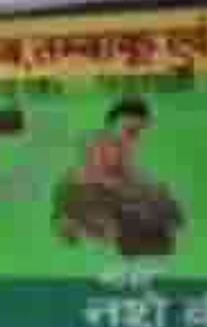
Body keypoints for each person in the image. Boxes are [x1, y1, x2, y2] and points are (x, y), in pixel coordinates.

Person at [54, 98, 185, 258]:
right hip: (86, 195)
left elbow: (130, 174)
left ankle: (145, 239)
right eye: (130, 131)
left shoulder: (123, 147)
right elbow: (98, 176)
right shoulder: (95, 141)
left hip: (106, 198)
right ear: (112, 123)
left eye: (137, 132)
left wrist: (151, 187)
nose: (134, 137)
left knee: (159, 203)